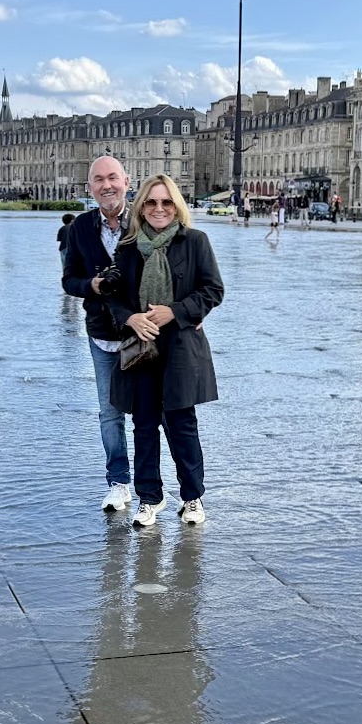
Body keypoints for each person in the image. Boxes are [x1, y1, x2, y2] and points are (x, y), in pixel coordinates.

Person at [106, 174, 224, 528]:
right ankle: (149, 498)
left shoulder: (195, 242)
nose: (159, 209)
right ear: (141, 207)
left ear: (177, 206)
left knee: (182, 423)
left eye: (166, 202)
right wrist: (132, 319)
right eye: (152, 202)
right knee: (143, 425)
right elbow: (113, 300)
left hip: (181, 347)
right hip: (141, 348)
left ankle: (192, 498)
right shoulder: (127, 248)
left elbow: (213, 290)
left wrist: (176, 310)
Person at [61, 156, 136, 512]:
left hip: (143, 332)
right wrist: (91, 284)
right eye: (98, 180)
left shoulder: (145, 219)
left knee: (152, 413)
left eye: (112, 178)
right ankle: (119, 483)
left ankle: (152, 488)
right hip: (102, 335)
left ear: (126, 181)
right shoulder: (79, 228)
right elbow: (68, 280)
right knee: (110, 413)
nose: (106, 185)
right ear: (89, 187)